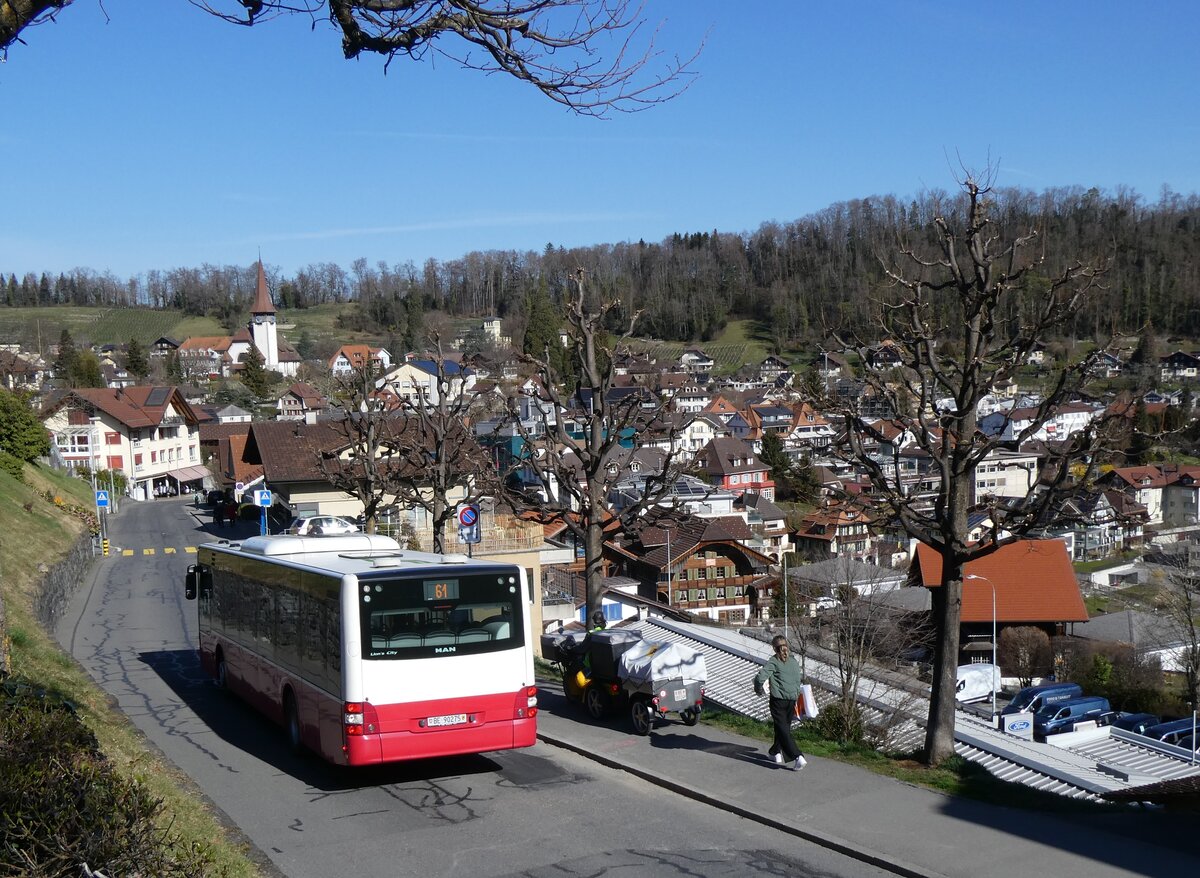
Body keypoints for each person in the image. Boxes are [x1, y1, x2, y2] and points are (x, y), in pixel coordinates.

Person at [752, 635, 809, 771]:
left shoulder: (774, 661)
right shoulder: (794, 661)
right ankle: (775, 753)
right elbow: (797, 680)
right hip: (792, 699)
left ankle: (797, 756)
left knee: (783, 729)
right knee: (783, 727)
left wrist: (758, 689)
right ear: (787, 646)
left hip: (778, 699)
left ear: (774, 647)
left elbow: (760, 678)